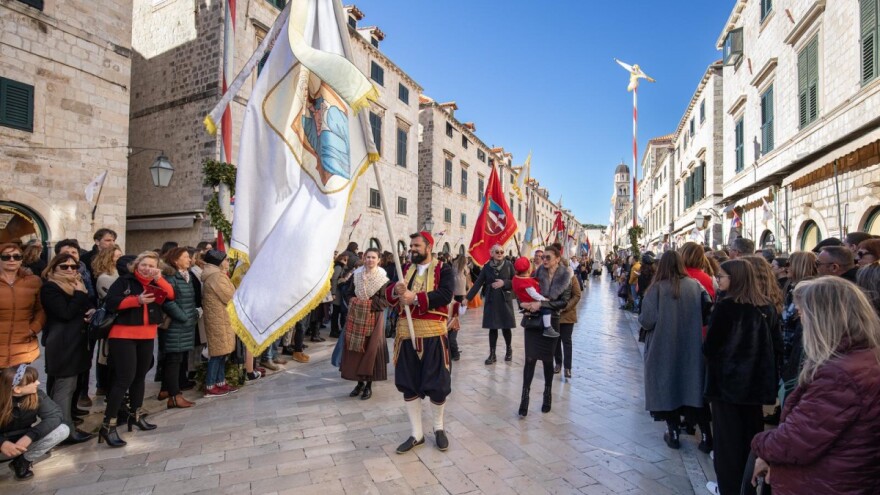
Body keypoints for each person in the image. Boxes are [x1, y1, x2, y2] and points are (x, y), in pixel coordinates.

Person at [751, 277, 880, 494]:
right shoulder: (862, 357)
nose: (800, 321)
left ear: (821, 318)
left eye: (802, 314)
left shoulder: (839, 375)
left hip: (824, 481)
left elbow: (797, 440)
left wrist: (760, 445)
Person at [704, 259, 781, 495]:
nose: (718, 280)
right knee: (751, 439)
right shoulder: (766, 307)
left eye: (721, 276)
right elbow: (777, 348)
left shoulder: (726, 307)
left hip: (727, 385)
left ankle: (728, 488)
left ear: (734, 279)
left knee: (727, 444)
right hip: (755, 387)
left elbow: (710, 347)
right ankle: (747, 487)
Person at [386, 232, 454, 454]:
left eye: (417, 245)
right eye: (411, 246)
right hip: (406, 334)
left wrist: (415, 298)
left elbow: (445, 295)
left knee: (438, 384)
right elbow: (389, 292)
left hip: (433, 334)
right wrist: (395, 291)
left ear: (429, 247)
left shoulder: (444, 269)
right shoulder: (404, 269)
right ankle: (416, 434)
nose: (412, 249)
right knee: (408, 383)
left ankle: (438, 428)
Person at [100, 251, 174, 447]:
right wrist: (137, 300)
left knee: (139, 377)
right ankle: (108, 425)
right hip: (123, 335)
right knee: (124, 379)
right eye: (144, 264)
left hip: (147, 335)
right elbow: (111, 303)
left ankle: (136, 415)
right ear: (137, 265)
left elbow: (171, 295)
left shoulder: (156, 282)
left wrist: (159, 279)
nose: (147, 268)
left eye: (152, 265)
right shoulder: (124, 281)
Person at [639, 251, 709, 450]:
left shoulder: (657, 288)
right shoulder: (696, 286)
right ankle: (706, 436)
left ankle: (674, 432)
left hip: (663, 346)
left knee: (666, 387)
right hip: (691, 346)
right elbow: (707, 310)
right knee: (693, 387)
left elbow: (647, 320)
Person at [39, 253, 95, 444]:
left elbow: (84, 306)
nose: (70, 269)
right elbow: (65, 313)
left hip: (77, 342)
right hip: (62, 344)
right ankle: (65, 432)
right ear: (54, 268)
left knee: (71, 387)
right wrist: (79, 294)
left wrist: (90, 310)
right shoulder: (50, 287)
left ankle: (64, 427)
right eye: (64, 266)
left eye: (74, 266)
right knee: (65, 387)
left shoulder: (77, 284)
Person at [518, 245, 571, 417]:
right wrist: (523, 304)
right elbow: (523, 290)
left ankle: (547, 393)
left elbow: (564, 302)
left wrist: (542, 304)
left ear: (557, 259)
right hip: (533, 321)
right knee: (530, 359)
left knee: (548, 360)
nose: (544, 260)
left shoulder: (566, 276)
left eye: (548, 257)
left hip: (551, 322)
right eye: (543, 257)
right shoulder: (537, 273)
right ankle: (524, 397)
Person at [0, 365, 69, 481]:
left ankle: (22, 462)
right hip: (3, 448)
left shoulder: (37, 394)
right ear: (17, 389)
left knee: (63, 430)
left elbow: (55, 415)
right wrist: (2, 443)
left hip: (23, 445)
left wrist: (29, 436)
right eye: (32, 381)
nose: (38, 383)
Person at [340, 248, 390, 401]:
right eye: (368, 257)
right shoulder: (356, 275)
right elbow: (348, 293)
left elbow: (385, 301)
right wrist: (355, 301)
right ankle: (359, 383)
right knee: (357, 349)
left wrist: (366, 304)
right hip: (357, 316)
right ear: (364, 258)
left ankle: (368, 385)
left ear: (379, 260)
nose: (370, 260)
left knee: (370, 350)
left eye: (373, 257)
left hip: (374, 317)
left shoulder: (383, 278)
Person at [158, 247, 199, 409]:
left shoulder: (185, 276)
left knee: (177, 359)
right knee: (173, 360)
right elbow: (168, 302)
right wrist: (184, 316)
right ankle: (174, 396)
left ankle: (166, 389)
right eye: (186, 257)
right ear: (176, 260)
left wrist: (192, 314)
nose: (189, 259)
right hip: (176, 325)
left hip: (185, 324)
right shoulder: (170, 277)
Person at [465, 244, 516, 364]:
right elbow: (478, 283)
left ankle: (509, 350)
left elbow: (515, 281)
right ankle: (492, 354)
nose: (500, 254)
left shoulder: (508, 265)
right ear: (491, 253)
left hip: (504, 300)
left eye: (501, 252)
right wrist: (467, 298)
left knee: (506, 327)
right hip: (492, 300)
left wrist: (504, 283)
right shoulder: (487, 267)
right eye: (497, 252)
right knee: (492, 328)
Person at [0, 243, 45, 368]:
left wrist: (33, 328)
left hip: (23, 348)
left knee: (19, 381)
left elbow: (41, 310)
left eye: (16, 257)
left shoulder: (34, 281)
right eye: (6, 257)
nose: (12, 260)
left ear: (21, 260)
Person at [201, 250, 237, 397]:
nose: (228, 262)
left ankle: (220, 381)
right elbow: (229, 296)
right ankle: (210, 385)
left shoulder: (216, 275)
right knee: (217, 354)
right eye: (226, 260)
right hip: (218, 320)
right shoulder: (216, 277)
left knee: (222, 352)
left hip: (221, 319)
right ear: (219, 262)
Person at [512, 256, 561, 338]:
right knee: (546, 310)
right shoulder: (526, 282)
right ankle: (548, 328)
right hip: (532, 302)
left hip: (528, 302)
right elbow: (533, 294)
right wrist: (544, 299)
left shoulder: (516, 278)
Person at [554, 264, 581, 378]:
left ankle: (567, 367)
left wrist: (565, 307)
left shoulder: (572, 277)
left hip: (568, 315)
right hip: (555, 314)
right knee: (556, 341)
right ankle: (558, 363)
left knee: (567, 341)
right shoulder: (553, 277)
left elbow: (577, 295)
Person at [449, 255, 470, 361]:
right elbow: (468, 274)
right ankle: (457, 313)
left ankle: (454, 314)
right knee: (459, 305)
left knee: (454, 304)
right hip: (462, 289)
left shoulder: (454, 264)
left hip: (455, 288)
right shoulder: (464, 265)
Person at [329, 253, 349, 338]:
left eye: (346, 260)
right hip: (336, 293)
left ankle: (335, 329)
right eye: (344, 259)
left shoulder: (341, 267)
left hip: (339, 292)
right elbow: (334, 280)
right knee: (335, 312)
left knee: (337, 312)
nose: (346, 261)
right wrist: (333, 293)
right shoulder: (338, 267)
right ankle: (333, 330)